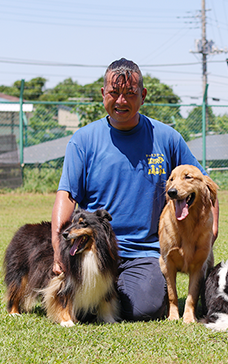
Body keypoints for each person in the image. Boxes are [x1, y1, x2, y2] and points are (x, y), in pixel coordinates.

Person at [51, 58, 219, 321]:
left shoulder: (167, 137)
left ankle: (108, 294)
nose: (121, 101)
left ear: (143, 96)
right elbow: (67, 196)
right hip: (94, 247)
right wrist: (57, 248)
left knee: (144, 308)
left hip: (143, 252)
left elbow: (203, 182)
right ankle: (99, 292)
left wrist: (212, 227)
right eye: (114, 93)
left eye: (130, 94)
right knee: (82, 310)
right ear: (103, 95)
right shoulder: (82, 140)